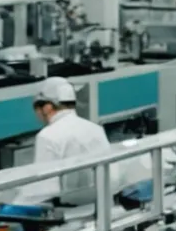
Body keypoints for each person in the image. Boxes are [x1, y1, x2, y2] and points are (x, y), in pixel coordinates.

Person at [12, 76, 113, 205]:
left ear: (47, 108)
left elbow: (44, 189)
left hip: (68, 211)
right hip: (101, 206)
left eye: (36, 109)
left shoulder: (47, 136)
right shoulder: (95, 129)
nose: (36, 115)